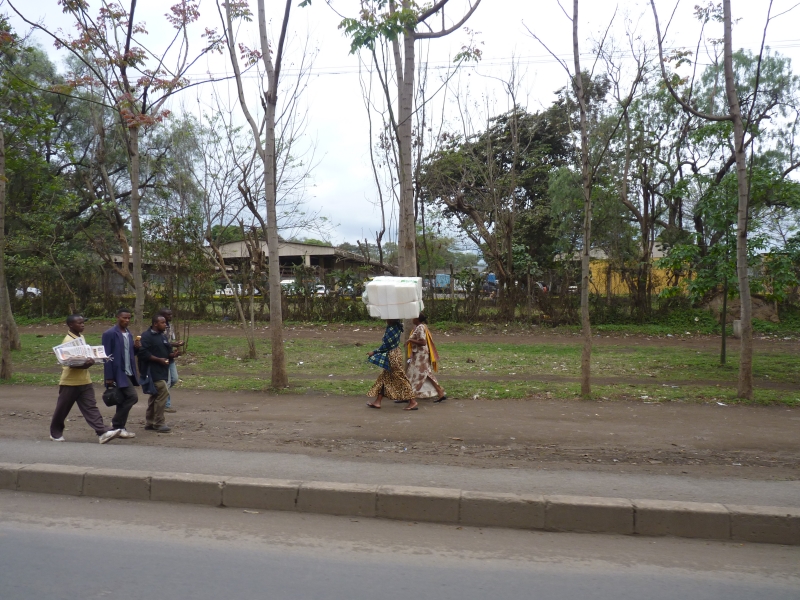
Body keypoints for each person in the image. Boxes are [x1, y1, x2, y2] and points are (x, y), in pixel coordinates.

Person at [49, 315, 121, 444]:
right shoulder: (68, 341)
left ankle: (102, 432)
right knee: (62, 409)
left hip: (85, 380)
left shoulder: (80, 337)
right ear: (71, 325)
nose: (82, 325)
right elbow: (69, 363)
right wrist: (86, 364)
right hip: (70, 382)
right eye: (79, 323)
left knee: (91, 407)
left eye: (83, 322)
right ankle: (55, 433)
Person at [101, 308, 140, 438]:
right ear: (118, 317)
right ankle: (116, 424)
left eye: (129, 318)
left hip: (128, 371)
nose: (127, 320)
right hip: (118, 372)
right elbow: (106, 356)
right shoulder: (109, 334)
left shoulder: (128, 333)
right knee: (132, 397)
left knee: (122, 399)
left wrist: (136, 348)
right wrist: (109, 377)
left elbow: (128, 353)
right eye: (124, 318)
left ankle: (119, 428)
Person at [366, 319, 416, 410]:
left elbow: (386, 345)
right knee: (384, 377)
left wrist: (374, 352)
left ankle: (412, 401)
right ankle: (378, 401)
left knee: (400, 378)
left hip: (393, 356)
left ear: (392, 319)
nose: (386, 319)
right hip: (394, 354)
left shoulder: (392, 329)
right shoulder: (395, 326)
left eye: (388, 318)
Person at [138, 315, 176, 433]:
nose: (166, 324)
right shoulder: (146, 336)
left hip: (162, 370)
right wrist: (158, 360)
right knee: (163, 392)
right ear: (155, 324)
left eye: (165, 322)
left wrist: (173, 355)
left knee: (155, 395)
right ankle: (159, 422)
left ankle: (150, 422)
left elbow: (167, 352)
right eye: (162, 322)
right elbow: (143, 353)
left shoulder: (162, 336)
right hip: (151, 371)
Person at [405, 313, 447, 403]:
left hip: (421, 355)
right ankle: (440, 393)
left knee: (416, 375)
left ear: (417, 319)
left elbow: (423, 342)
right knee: (426, 374)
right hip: (420, 354)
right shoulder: (421, 327)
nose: (412, 319)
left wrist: (410, 340)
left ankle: (409, 396)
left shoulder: (420, 327)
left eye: (413, 317)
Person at [158, 308, 184, 413]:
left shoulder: (170, 326)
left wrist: (176, 344)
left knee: (174, 379)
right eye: (168, 315)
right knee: (167, 381)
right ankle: (166, 404)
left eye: (171, 314)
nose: (170, 316)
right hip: (162, 357)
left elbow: (169, 341)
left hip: (170, 356)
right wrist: (174, 344)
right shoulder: (157, 328)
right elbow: (160, 343)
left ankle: (160, 394)